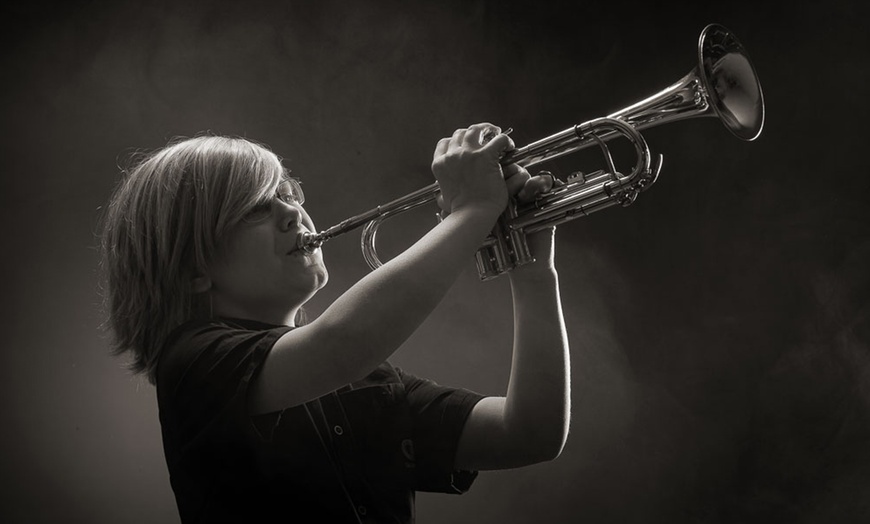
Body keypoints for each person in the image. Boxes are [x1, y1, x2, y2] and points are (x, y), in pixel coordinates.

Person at [99, 123, 570, 523]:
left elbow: (529, 432)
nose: (291, 212)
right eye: (254, 207)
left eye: (286, 194)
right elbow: (341, 343)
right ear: (193, 269)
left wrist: (532, 271)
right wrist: (470, 213)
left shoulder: (368, 379)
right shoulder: (192, 360)